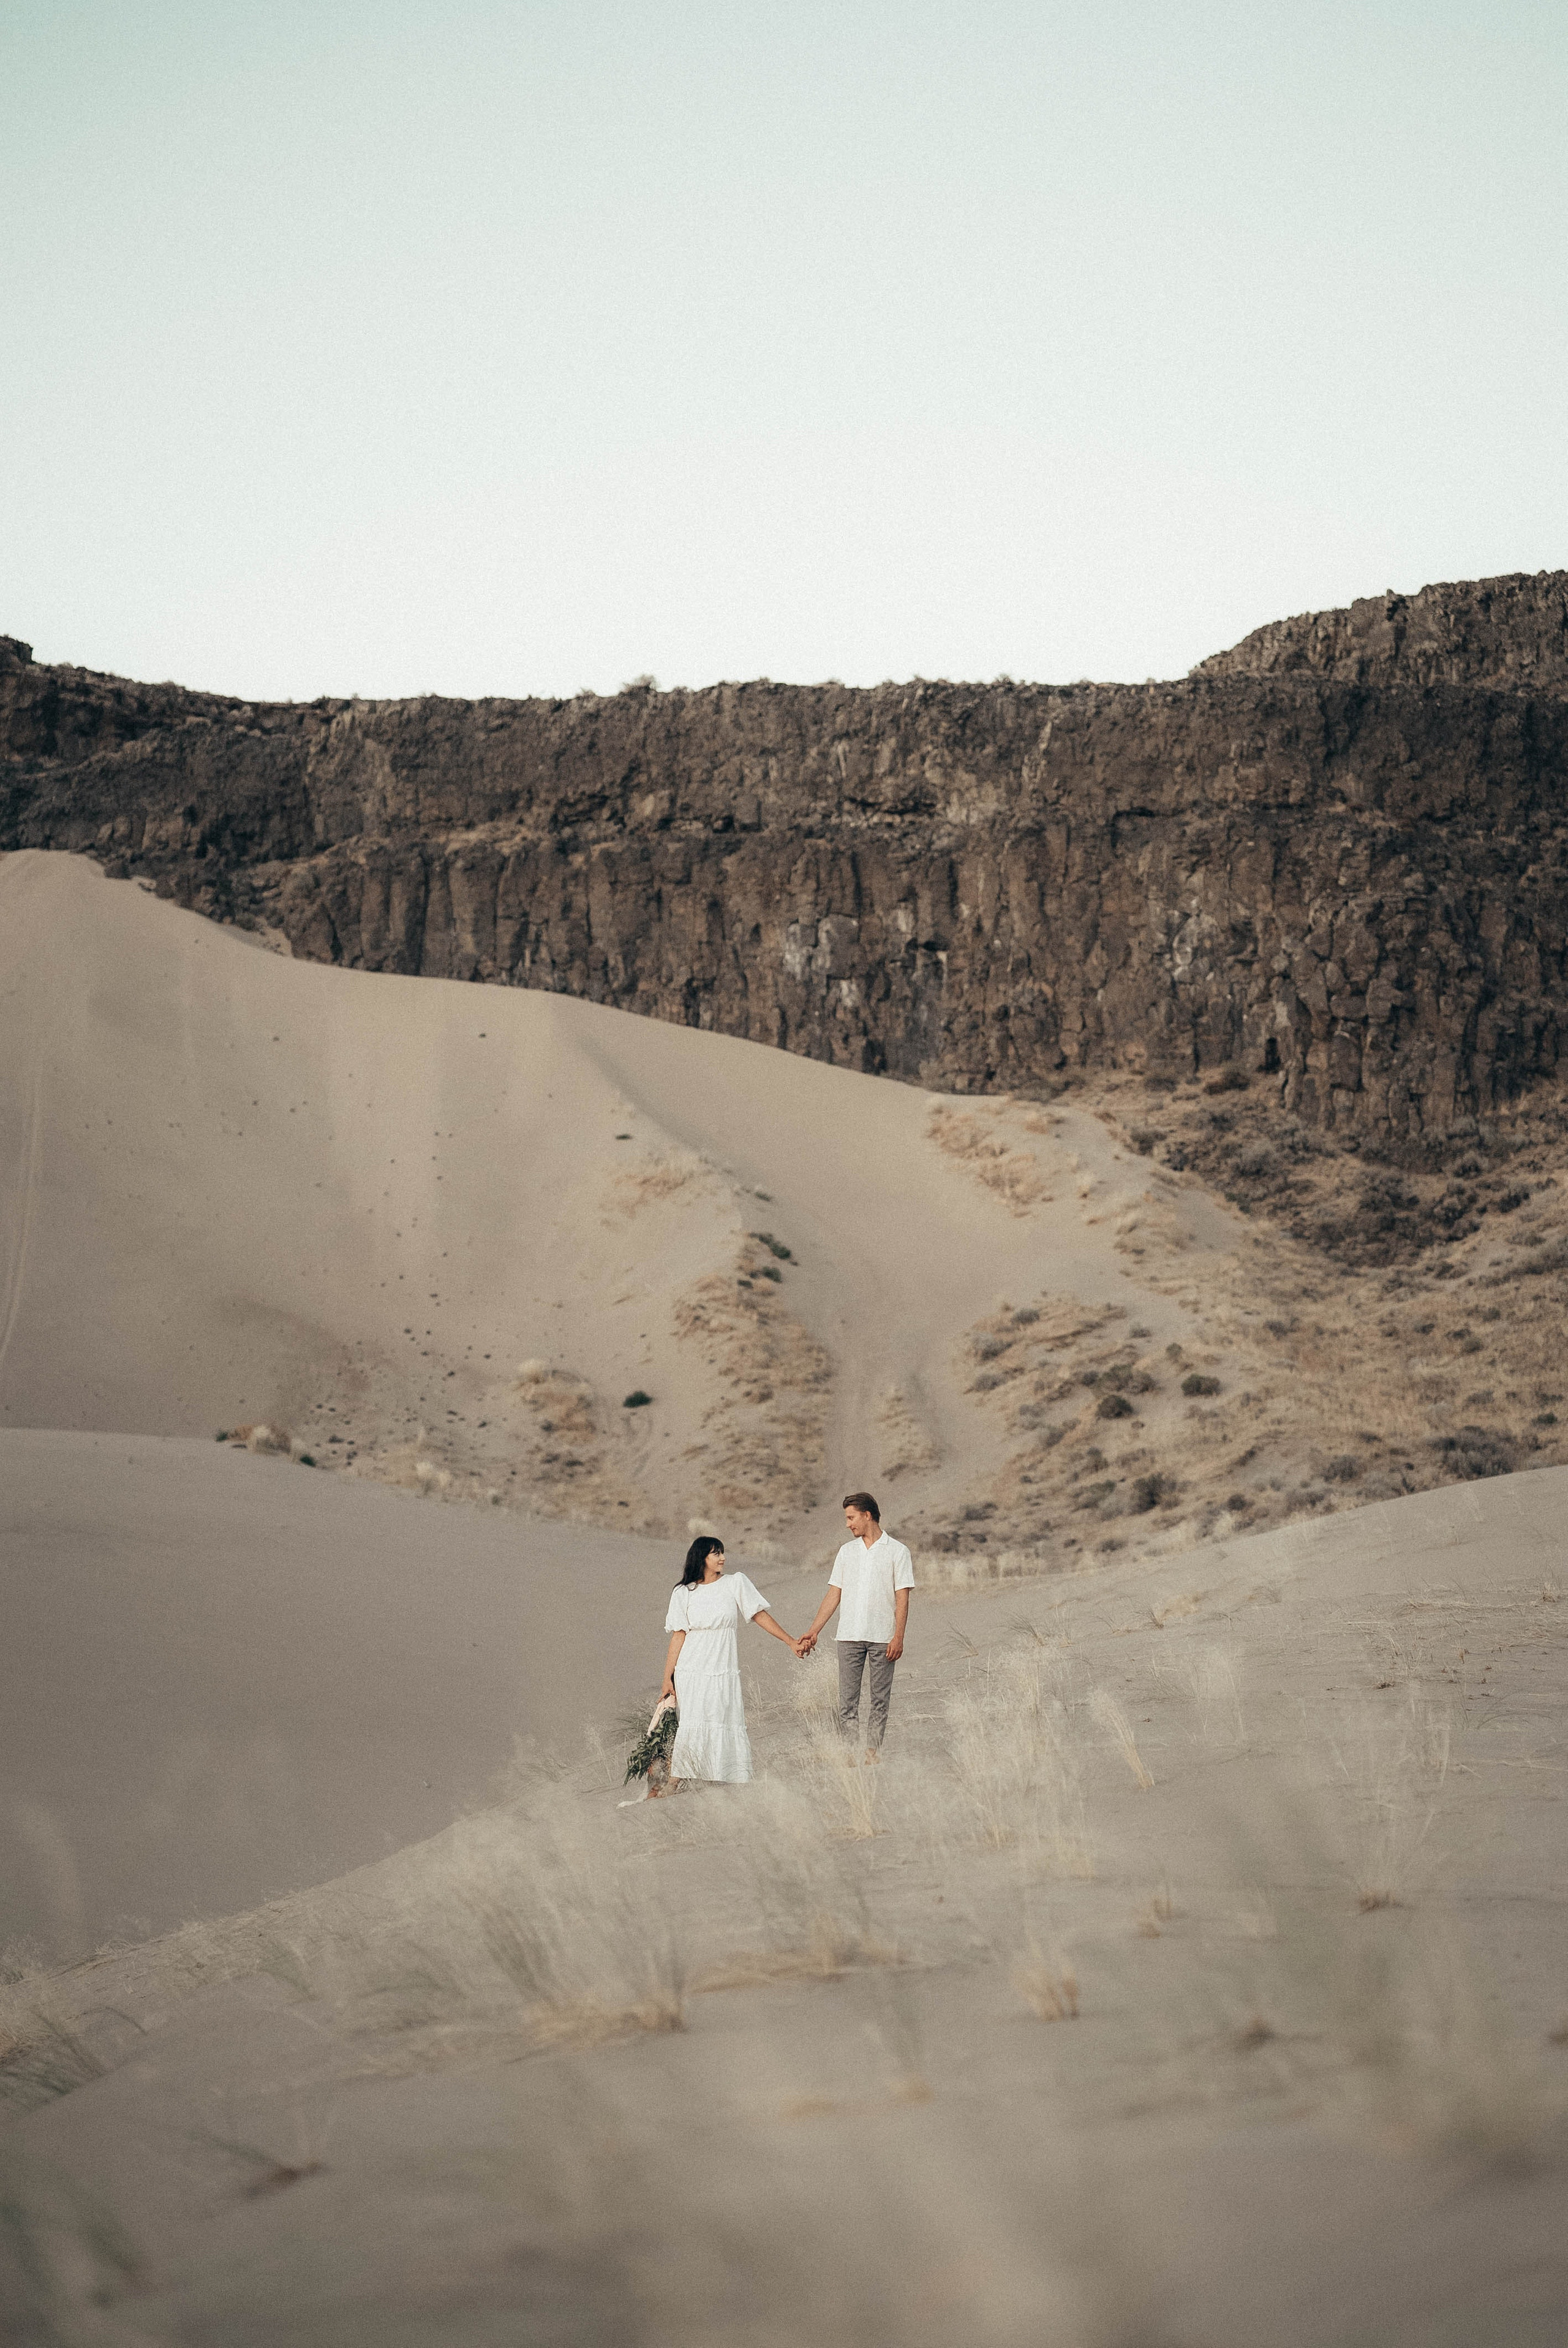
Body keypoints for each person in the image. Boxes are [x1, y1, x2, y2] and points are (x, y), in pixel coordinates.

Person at [654, 1535, 804, 1793]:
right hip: (691, 1668)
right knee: (693, 1720)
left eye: (723, 1552)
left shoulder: (736, 1583)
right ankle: (676, 1780)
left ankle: (729, 1774)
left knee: (724, 1714)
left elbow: (759, 1615)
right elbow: (679, 1635)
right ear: (702, 1558)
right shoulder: (683, 1593)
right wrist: (668, 1678)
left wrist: (790, 1641)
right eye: (716, 1553)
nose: (723, 1558)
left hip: (722, 1667)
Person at [799, 1492, 914, 1761]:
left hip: (883, 1637)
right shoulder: (846, 1552)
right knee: (847, 1702)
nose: (847, 1524)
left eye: (851, 1518)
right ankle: (851, 1754)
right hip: (849, 1636)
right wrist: (814, 1630)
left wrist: (898, 1637)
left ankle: (872, 1753)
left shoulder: (898, 1551)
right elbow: (834, 1594)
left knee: (879, 1700)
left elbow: (902, 1598)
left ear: (867, 1515)